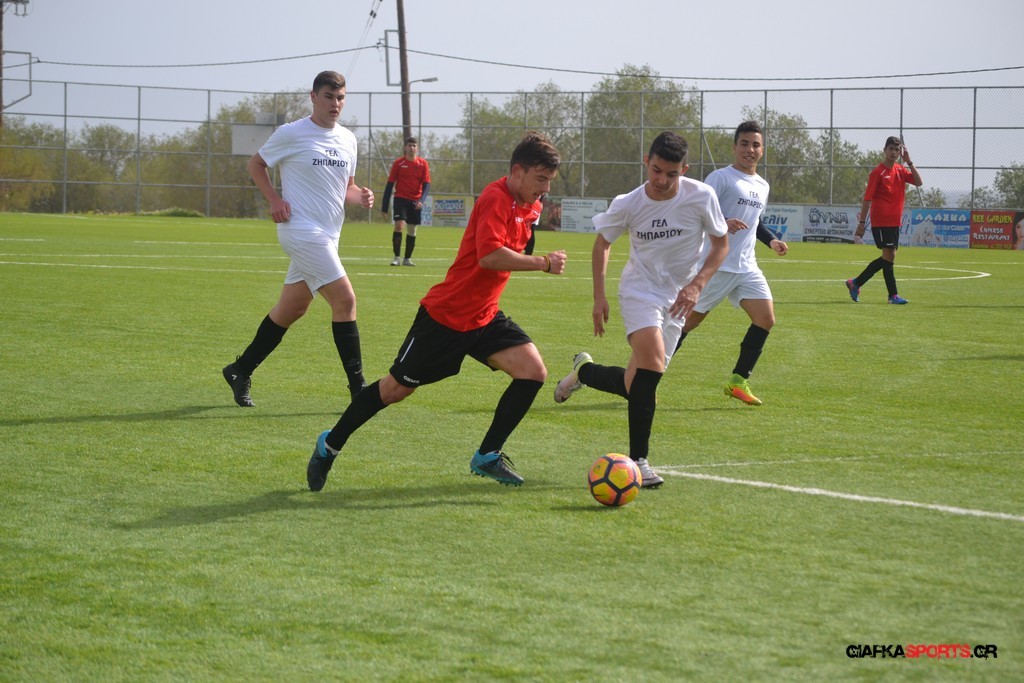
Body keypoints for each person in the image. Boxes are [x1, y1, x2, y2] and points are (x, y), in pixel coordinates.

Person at [307, 132, 567, 492]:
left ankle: (488, 454)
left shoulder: (531, 205)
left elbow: (516, 245)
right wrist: (543, 263)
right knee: (394, 390)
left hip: (484, 316)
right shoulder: (495, 198)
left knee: (533, 372)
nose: (545, 188)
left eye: (549, 180)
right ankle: (330, 444)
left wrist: (534, 248)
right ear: (518, 171)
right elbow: (489, 257)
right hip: (446, 318)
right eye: (541, 179)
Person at [553, 132, 728, 488]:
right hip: (640, 291)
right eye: (656, 170)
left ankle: (583, 372)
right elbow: (602, 244)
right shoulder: (629, 203)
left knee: (636, 385)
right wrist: (599, 297)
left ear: (684, 170)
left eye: (671, 174)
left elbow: (721, 243)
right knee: (652, 363)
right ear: (646, 162)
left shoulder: (701, 196)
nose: (662, 180)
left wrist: (697, 285)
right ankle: (639, 462)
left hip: (679, 299)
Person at [221, 71, 374, 408]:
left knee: (292, 309)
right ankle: (359, 390)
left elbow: (347, 188)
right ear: (313, 97)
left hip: (329, 235)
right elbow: (256, 164)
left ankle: (240, 369)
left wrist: (361, 197)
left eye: (341, 98)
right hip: (301, 230)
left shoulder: (348, 139)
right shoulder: (292, 133)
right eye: (329, 96)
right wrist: (274, 200)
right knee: (345, 300)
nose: (335, 104)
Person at [673, 120, 788, 407]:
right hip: (718, 266)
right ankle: (646, 375)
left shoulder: (762, 185)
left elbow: (755, 222)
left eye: (756, 145)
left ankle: (738, 381)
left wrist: (772, 241)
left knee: (765, 319)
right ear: (735, 147)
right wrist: (723, 222)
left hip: (746, 267)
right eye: (745, 144)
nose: (750, 149)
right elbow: (697, 213)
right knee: (685, 325)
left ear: (762, 150)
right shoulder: (721, 178)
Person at [845, 136, 923, 304]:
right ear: (884, 150)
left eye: (897, 150)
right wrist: (861, 223)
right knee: (889, 256)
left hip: (894, 222)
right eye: (891, 149)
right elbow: (867, 199)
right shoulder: (877, 172)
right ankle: (892, 295)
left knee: (889, 257)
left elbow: (919, 182)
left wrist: (909, 161)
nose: (894, 152)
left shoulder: (900, 170)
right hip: (881, 221)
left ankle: (856, 282)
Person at [381, 136, 431, 266]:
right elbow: (390, 184)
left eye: (414, 146)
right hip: (400, 199)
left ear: (417, 148)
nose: (412, 148)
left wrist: (421, 201)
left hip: (415, 201)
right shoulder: (398, 163)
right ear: (405, 148)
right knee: (399, 226)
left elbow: (426, 185)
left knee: (412, 230)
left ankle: (407, 259)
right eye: (409, 146)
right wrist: (384, 206)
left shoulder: (423, 164)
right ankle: (396, 258)